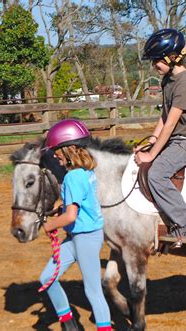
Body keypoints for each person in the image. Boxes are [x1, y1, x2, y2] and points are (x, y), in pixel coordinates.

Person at [135, 28, 186, 246]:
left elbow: (172, 123)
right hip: (175, 139)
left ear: (172, 57)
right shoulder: (168, 80)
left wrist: (151, 156)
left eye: (157, 60)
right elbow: (164, 115)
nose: (154, 65)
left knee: (156, 173)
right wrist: (151, 141)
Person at [40, 119, 112, 331]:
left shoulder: (72, 177)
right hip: (77, 237)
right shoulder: (85, 172)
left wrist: (50, 225)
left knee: (93, 291)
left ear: (66, 149)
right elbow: (77, 204)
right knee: (47, 278)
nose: (55, 156)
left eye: (56, 151)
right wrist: (59, 209)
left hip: (86, 237)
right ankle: (69, 323)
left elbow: (71, 216)